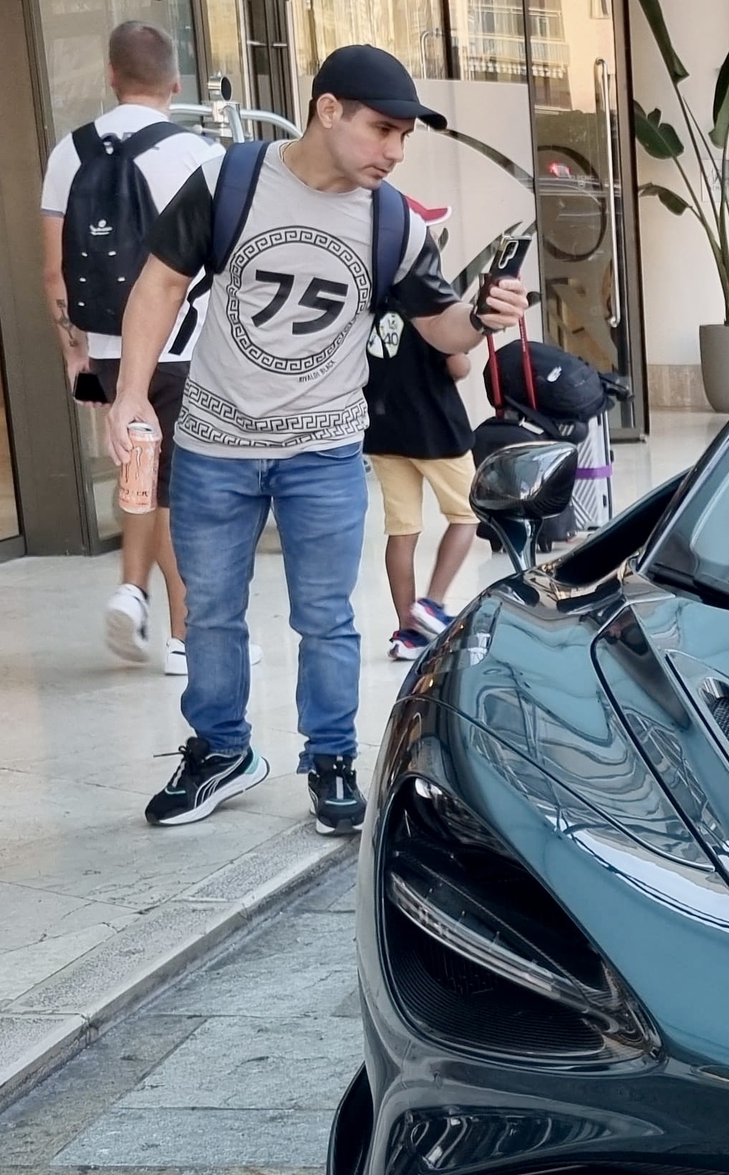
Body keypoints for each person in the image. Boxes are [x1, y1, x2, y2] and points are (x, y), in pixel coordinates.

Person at [107, 44, 527, 834]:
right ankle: (223, 749)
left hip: (326, 449)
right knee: (211, 612)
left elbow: (440, 324)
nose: (395, 151)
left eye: (405, 136)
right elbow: (160, 280)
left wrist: (482, 314)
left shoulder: (392, 218)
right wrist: (131, 393)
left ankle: (331, 755)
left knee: (327, 617)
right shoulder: (230, 181)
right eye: (382, 130)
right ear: (327, 110)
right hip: (212, 444)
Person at [41, 20, 223, 675]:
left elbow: (54, 269)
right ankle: (183, 636)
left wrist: (77, 352)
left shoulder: (70, 153)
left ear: (111, 76)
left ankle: (131, 586)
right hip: (186, 344)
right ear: (175, 83)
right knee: (181, 487)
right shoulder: (200, 154)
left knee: (138, 468)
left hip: (112, 345)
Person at [364, 197, 476, 664]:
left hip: (384, 430)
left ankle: (406, 631)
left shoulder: (368, 298)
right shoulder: (433, 300)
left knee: (402, 530)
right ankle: (431, 604)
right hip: (437, 430)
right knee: (467, 515)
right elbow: (458, 365)